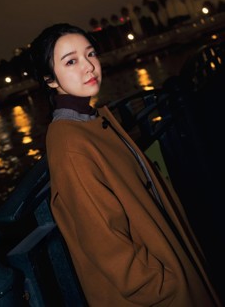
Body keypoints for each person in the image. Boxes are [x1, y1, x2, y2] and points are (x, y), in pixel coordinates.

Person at [30, 23, 221, 306]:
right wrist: (163, 286)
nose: (89, 67)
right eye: (71, 61)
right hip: (162, 294)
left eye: (91, 54)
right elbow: (104, 240)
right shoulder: (70, 143)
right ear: (50, 80)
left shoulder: (88, 121)